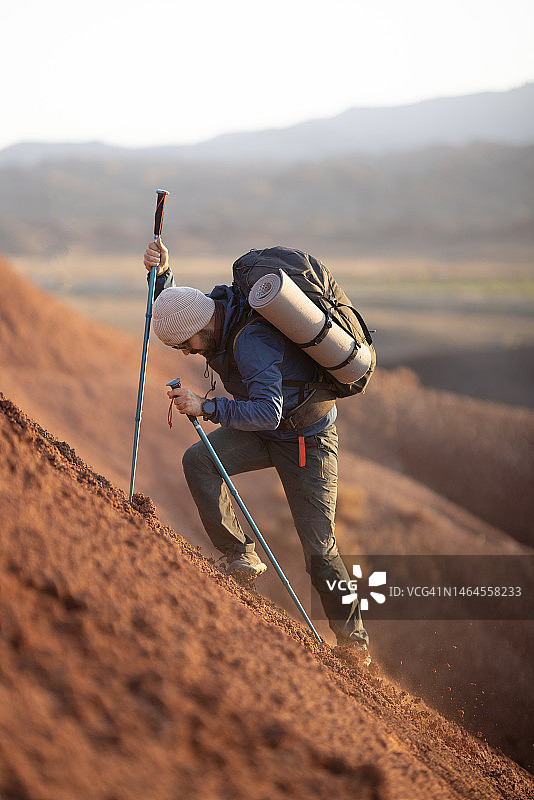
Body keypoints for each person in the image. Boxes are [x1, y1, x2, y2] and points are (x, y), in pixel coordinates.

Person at [144, 237, 370, 662]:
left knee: (320, 550)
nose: (186, 353)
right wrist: (162, 275)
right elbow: (179, 313)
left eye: (185, 345)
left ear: (203, 329)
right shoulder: (213, 311)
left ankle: (355, 644)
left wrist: (207, 407)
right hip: (266, 431)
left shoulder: (249, 342)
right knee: (199, 462)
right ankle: (240, 556)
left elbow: (267, 411)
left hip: (307, 440)